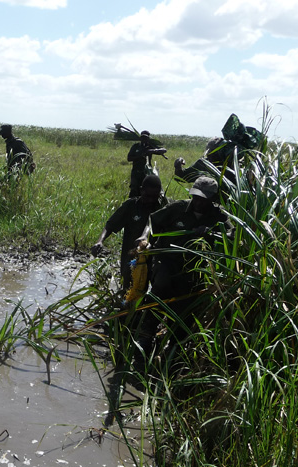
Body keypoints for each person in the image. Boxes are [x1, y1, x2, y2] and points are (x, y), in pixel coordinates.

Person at [135, 176, 234, 359]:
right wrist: (144, 237)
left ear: (212, 199)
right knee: (161, 289)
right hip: (167, 261)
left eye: (203, 199)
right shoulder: (178, 208)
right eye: (196, 197)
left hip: (194, 270)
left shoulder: (218, 216)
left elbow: (232, 234)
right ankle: (144, 339)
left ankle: (173, 350)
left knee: (185, 309)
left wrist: (212, 232)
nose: (198, 202)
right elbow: (152, 221)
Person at [91, 174, 166, 291]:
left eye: (154, 197)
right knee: (128, 291)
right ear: (141, 190)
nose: (150, 200)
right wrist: (100, 241)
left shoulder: (163, 208)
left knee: (155, 289)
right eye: (147, 196)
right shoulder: (131, 206)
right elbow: (110, 225)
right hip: (131, 257)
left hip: (154, 259)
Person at [127, 130, 166, 197]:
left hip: (146, 172)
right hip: (136, 172)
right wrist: (141, 155)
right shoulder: (136, 146)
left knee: (146, 190)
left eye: (146, 137)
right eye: (143, 137)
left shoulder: (150, 146)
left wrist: (152, 151)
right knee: (134, 190)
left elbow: (164, 150)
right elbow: (129, 158)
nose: (144, 139)